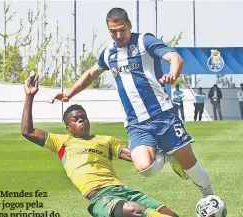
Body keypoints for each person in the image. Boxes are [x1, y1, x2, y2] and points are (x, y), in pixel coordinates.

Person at [50, 8, 215, 198]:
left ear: (129, 25)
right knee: (145, 169)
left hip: (163, 115)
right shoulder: (108, 53)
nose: (118, 35)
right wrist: (70, 93)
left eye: (122, 29)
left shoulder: (145, 41)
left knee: (191, 166)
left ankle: (211, 198)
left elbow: (175, 58)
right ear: (108, 30)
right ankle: (170, 156)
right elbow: (90, 73)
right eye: (113, 31)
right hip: (137, 123)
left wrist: (173, 74)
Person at [21, 74, 212, 217]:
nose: (82, 121)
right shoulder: (61, 142)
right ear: (68, 127)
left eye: (84, 118)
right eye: (76, 119)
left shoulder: (106, 140)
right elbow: (27, 131)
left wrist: (163, 154)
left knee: (168, 215)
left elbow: (133, 156)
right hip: (99, 197)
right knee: (134, 210)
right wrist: (29, 96)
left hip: (122, 190)